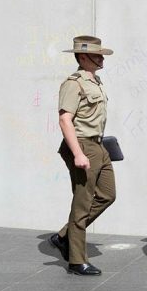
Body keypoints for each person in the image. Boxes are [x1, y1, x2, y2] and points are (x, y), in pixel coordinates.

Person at [49, 36, 116, 276]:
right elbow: (65, 119)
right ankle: (77, 261)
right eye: (97, 55)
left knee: (108, 195)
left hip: (98, 145)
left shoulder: (94, 81)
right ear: (83, 57)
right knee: (82, 202)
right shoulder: (73, 83)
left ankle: (64, 235)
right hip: (83, 145)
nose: (101, 58)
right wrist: (77, 153)